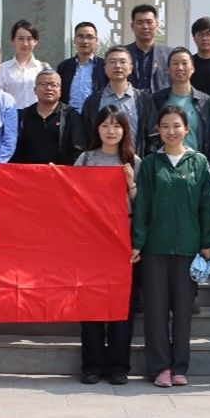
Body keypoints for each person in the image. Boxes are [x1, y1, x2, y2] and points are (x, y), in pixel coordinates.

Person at [132, 105, 210, 388]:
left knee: (183, 312)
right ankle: (160, 367)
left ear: (187, 129)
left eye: (176, 126)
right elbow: (142, 207)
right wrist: (138, 243)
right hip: (155, 248)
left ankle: (180, 366)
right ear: (158, 130)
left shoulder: (198, 163)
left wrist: (207, 242)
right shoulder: (150, 163)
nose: (171, 131)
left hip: (187, 249)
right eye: (166, 126)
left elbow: (207, 205)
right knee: (156, 311)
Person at [74, 105, 140, 385]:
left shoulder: (133, 161)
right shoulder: (86, 159)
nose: (110, 131)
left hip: (123, 240)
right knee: (90, 303)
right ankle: (91, 365)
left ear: (125, 129)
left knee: (121, 305)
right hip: (90, 242)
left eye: (116, 125)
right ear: (97, 128)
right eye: (105, 125)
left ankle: (117, 366)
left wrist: (131, 184)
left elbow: (143, 207)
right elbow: (71, 198)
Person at [150, 48, 210, 176]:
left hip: (196, 169)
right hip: (164, 169)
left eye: (184, 63)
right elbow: (151, 138)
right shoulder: (157, 100)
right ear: (168, 69)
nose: (180, 68)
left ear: (193, 68)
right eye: (175, 63)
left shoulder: (205, 102)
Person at [81, 46, 154, 156]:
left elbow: (153, 135)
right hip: (101, 163)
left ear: (131, 68)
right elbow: (85, 135)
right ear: (105, 68)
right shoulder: (93, 101)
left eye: (122, 62)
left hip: (135, 163)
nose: (117, 66)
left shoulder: (144, 100)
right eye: (112, 62)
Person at [10, 69, 87, 165]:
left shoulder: (71, 116)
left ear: (60, 90)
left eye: (53, 85)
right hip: (26, 172)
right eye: (43, 84)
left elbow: (78, 149)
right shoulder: (22, 116)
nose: (49, 88)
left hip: (59, 172)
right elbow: (12, 148)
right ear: (35, 90)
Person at [0, 19, 46, 107]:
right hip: (11, 114)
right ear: (13, 40)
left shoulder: (42, 68)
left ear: (35, 41)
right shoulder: (2, 69)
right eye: (20, 39)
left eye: (29, 39)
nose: (25, 44)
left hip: (36, 115)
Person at [58, 21, 107, 110]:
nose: (85, 41)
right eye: (80, 36)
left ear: (96, 40)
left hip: (95, 116)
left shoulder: (104, 66)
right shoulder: (64, 66)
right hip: (69, 116)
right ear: (74, 40)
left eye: (89, 37)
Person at [126, 4, 172, 92]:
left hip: (161, 100)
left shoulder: (170, 55)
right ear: (132, 26)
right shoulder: (123, 54)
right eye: (139, 22)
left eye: (149, 22)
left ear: (157, 25)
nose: (145, 26)